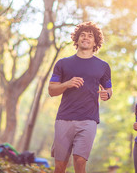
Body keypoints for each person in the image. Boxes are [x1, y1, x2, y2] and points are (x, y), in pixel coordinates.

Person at [48, 21, 113, 173]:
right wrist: (67, 84)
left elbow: (109, 90)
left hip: (88, 120)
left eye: (90, 36)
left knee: (80, 160)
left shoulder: (103, 66)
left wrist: (107, 94)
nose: (86, 38)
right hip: (64, 118)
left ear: (95, 41)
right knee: (59, 166)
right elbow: (51, 90)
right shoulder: (63, 63)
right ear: (76, 39)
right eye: (82, 35)